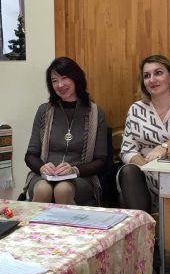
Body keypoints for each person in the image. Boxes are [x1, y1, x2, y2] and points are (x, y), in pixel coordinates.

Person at [117, 55, 170, 214]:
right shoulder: (136, 109)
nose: (152, 79)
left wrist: (163, 148)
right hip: (144, 173)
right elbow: (127, 150)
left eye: (158, 73)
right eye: (146, 76)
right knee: (128, 171)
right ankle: (143, 227)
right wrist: (148, 167)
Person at [23, 57, 108, 205]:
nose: (60, 85)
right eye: (54, 81)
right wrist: (42, 167)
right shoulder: (44, 111)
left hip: (80, 177)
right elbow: (30, 155)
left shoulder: (95, 113)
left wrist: (75, 170)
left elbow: (101, 160)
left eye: (64, 78)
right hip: (44, 175)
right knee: (43, 190)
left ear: (76, 78)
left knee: (62, 190)